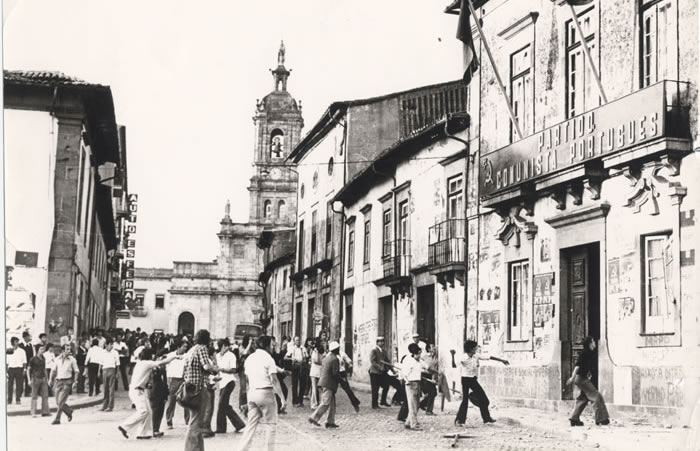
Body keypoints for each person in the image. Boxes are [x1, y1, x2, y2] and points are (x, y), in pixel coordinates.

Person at [235, 335, 286, 451]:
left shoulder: (250, 358)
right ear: (267, 346)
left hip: (252, 392)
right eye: (272, 345)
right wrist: (282, 398)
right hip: (266, 393)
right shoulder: (269, 359)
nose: (273, 348)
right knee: (271, 425)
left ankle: (242, 448)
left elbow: (247, 378)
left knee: (251, 424)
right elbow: (274, 380)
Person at [117, 348, 180, 440]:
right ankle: (124, 426)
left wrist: (147, 384)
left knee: (149, 412)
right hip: (137, 391)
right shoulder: (146, 363)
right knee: (143, 412)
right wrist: (175, 356)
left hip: (138, 390)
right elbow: (161, 363)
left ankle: (142, 433)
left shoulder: (140, 363)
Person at [451, 340, 509, 426]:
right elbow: (454, 365)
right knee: (465, 401)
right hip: (465, 380)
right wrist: (452, 355)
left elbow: (489, 357)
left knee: (484, 399)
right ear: (470, 349)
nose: (476, 349)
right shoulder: (463, 357)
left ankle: (486, 418)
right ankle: (460, 420)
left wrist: (502, 360)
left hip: (473, 380)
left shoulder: (476, 356)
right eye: (475, 348)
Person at [182, 329, 219, 451]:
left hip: (189, 388)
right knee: (196, 421)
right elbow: (206, 366)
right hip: (198, 388)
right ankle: (190, 448)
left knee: (195, 419)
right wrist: (216, 368)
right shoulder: (202, 348)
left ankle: (198, 448)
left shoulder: (191, 350)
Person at [567, 336, 610, 426]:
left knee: (583, 398)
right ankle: (601, 419)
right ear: (590, 343)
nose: (595, 343)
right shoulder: (585, 353)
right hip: (580, 378)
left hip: (582, 378)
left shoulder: (590, 353)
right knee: (596, 396)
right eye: (593, 342)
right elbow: (577, 366)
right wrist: (572, 377)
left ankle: (574, 419)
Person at [215, 338, 246, 433]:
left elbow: (233, 370)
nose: (226, 348)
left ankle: (221, 428)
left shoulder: (231, 356)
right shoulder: (217, 356)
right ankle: (239, 424)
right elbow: (216, 369)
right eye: (224, 346)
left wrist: (221, 370)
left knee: (221, 405)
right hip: (222, 383)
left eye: (227, 346)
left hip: (229, 382)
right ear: (221, 347)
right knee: (225, 405)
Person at [308, 341, 341, 429]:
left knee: (332, 403)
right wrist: (342, 379)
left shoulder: (327, 357)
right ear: (335, 350)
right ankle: (314, 417)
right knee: (325, 403)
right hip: (329, 383)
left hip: (324, 382)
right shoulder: (335, 359)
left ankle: (330, 421)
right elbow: (335, 373)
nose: (339, 350)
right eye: (338, 349)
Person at [49, 344, 79, 425]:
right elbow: (53, 370)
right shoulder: (57, 359)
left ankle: (57, 419)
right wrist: (50, 379)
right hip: (58, 382)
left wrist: (75, 381)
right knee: (58, 402)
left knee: (61, 401)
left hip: (67, 382)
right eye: (67, 349)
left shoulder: (72, 359)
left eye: (69, 349)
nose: (69, 351)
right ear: (63, 351)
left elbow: (76, 371)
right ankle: (68, 411)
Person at [165, 339, 190, 428]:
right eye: (184, 346)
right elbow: (167, 369)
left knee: (186, 400)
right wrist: (168, 381)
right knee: (171, 401)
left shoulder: (187, 356)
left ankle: (188, 421)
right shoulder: (170, 356)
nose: (185, 348)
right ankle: (169, 421)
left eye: (186, 346)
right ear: (178, 347)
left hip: (184, 379)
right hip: (173, 380)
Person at [401, 343, 425, 430]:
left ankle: (408, 422)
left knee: (417, 404)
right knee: (413, 404)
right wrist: (407, 381)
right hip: (411, 383)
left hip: (417, 382)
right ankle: (413, 424)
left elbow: (425, 367)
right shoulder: (408, 361)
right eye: (418, 354)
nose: (419, 355)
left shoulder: (418, 361)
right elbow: (405, 373)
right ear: (414, 353)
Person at [150, 350, 170, 437]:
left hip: (162, 393)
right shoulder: (154, 369)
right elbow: (153, 380)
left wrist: (166, 394)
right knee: (155, 411)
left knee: (161, 411)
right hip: (155, 393)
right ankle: (154, 429)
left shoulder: (163, 370)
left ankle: (157, 429)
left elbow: (165, 382)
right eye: (163, 358)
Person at [284, 336, 308, 407]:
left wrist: (305, 359)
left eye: (299, 340)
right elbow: (285, 357)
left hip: (302, 367)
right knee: (295, 385)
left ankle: (300, 401)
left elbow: (306, 356)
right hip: (295, 367)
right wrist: (292, 359)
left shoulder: (303, 348)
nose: (298, 342)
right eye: (296, 340)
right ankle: (295, 402)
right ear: (294, 341)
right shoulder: (292, 349)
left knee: (302, 384)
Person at [28, 344, 50, 417]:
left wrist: (47, 379)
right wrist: (29, 379)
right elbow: (28, 369)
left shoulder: (44, 358)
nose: (42, 351)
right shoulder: (33, 359)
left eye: (43, 349)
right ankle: (33, 412)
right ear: (37, 350)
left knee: (45, 395)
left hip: (43, 378)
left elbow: (44, 369)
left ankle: (45, 412)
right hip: (35, 378)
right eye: (41, 349)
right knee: (34, 396)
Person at [337, 346, 360, 412]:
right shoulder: (330, 355)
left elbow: (348, 360)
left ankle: (355, 403)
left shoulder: (342, 353)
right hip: (334, 373)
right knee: (332, 390)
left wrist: (349, 363)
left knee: (347, 389)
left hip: (342, 373)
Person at [100, 338, 120, 411]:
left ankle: (110, 406)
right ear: (106, 345)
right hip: (104, 370)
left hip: (112, 369)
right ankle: (104, 405)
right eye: (110, 344)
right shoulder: (102, 352)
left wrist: (117, 373)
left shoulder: (115, 352)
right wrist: (99, 371)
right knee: (105, 389)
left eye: (112, 344)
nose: (111, 346)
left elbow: (117, 363)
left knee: (111, 389)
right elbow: (101, 363)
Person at [369, 336, 390, 409]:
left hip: (382, 372)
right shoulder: (374, 350)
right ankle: (374, 404)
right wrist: (380, 367)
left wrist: (392, 370)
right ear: (377, 343)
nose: (382, 343)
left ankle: (383, 401)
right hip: (375, 372)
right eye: (380, 341)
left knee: (386, 385)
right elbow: (373, 361)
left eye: (383, 341)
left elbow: (387, 361)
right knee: (375, 389)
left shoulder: (383, 351)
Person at [419, 344, 439, 415]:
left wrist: (434, 379)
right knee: (432, 392)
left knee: (434, 393)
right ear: (428, 349)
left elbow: (435, 369)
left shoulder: (436, 358)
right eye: (433, 347)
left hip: (431, 376)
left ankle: (421, 404)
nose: (435, 348)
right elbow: (420, 366)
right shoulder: (424, 357)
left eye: (434, 347)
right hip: (424, 376)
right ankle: (428, 410)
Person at [7, 336, 27, 404]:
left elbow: (24, 361)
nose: (17, 343)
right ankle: (9, 399)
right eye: (16, 341)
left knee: (19, 385)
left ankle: (18, 399)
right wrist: (6, 371)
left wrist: (24, 369)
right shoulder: (9, 351)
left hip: (19, 369)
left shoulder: (22, 351)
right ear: (12, 342)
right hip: (11, 369)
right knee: (10, 385)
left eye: (17, 341)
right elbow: (6, 362)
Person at [308, 341, 323, 409]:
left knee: (320, 388)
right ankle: (314, 404)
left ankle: (321, 403)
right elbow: (316, 360)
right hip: (314, 372)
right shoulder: (314, 351)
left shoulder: (320, 352)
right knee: (314, 388)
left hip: (319, 371)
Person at [20, 331, 34, 398]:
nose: (29, 337)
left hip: (29, 364)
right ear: (25, 337)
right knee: (21, 378)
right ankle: (20, 392)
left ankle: (27, 392)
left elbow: (32, 355)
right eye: (28, 336)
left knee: (28, 378)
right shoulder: (21, 345)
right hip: (22, 364)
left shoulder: (30, 345)